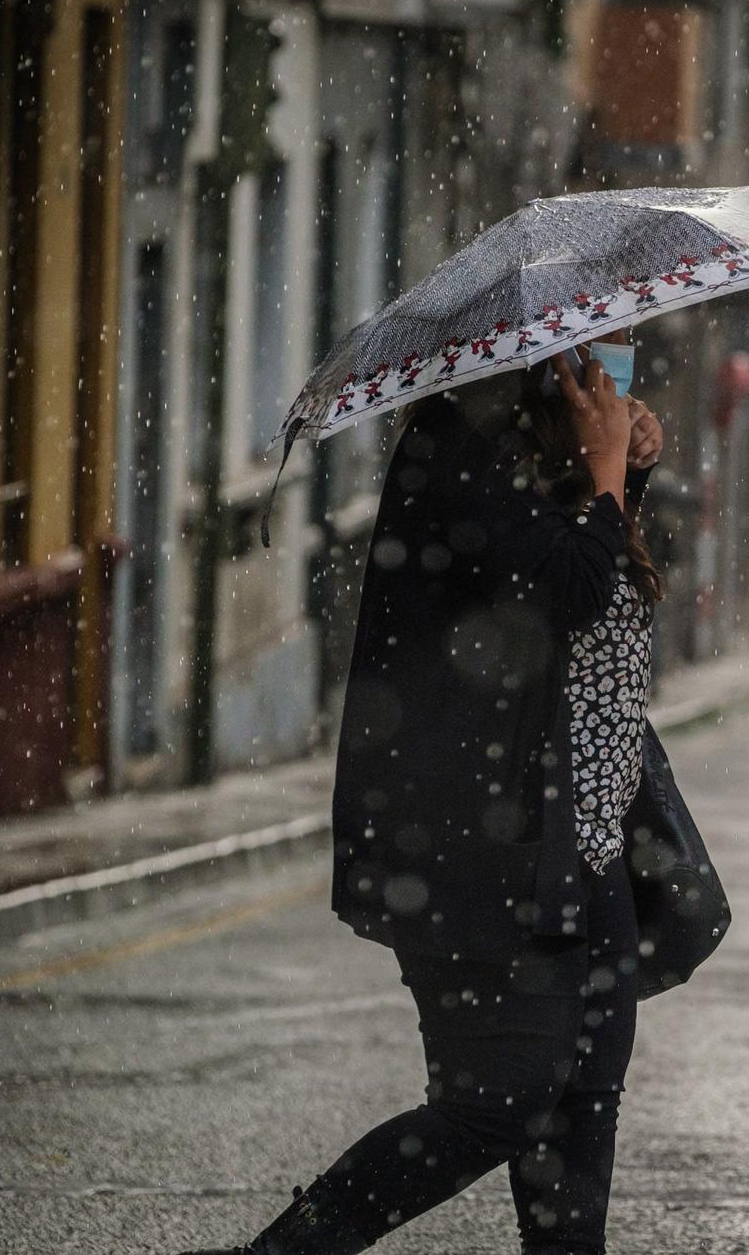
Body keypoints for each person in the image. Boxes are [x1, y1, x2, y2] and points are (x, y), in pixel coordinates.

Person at [181, 335, 665, 1255]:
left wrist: (621, 478)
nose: (614, 381)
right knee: (500, 1102)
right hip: (477, 843)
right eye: (597, 362)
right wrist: (604, 469)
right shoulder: (464, 449)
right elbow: (557, 588)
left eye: (622, 363)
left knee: (582, 1101)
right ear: (547, 366)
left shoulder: (534, 455)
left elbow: (590, 593)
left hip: (579, 842)